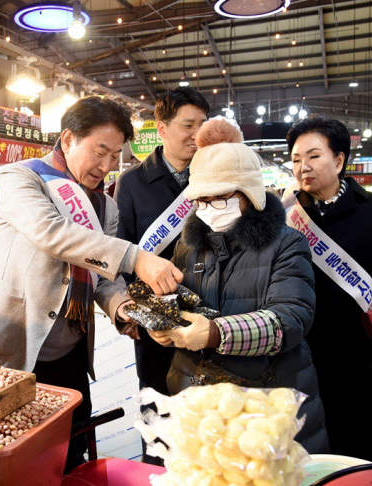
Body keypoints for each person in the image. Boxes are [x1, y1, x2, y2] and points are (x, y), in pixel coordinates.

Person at [0, 96, 183, 470]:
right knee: (5, 458)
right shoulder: (22, 177)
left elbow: (101, 278)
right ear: (68, 139)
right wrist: (136, 257)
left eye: (115, 155)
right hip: (9, 347)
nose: (107, 165)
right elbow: (52, 233)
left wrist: (123, 307)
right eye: (101, 150)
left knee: (66, 457)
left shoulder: (106, 206)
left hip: (69, 354)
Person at [148, 117, 329, 453]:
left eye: (220, 198)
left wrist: (215, 333)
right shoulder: (188, 245)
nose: (209, 209)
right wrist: (161, 325)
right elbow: (178, 304)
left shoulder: (287, 244)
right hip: (198, 403)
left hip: (266, 404)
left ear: (249, 192)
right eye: (201, 200)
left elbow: (290, 319)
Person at [286, 114, 372, 461]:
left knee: (355, 439)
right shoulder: (286, 213)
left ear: (339, 159)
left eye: (314, 156)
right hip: (302, 348)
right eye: (296, 159)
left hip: (354, 349)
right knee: (302, 441)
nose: (303, 167)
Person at [115, 87, 209, 464]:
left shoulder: (212, 174)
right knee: (158, 409)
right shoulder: (133, 182)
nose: (196, 134)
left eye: (203, 125)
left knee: (206, 415)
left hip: (209, 316)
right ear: (162, 128)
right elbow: (120, 249)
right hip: (156, 319)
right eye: (188, 125)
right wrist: (131, 313)